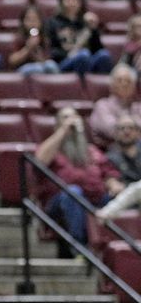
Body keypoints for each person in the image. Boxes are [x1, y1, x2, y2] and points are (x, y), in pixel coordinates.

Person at [35, 106, 122, 249]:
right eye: (66, 117)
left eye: (74, 117)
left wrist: (113, 184)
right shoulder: (52, 148)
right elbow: (40, 160)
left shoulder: (91, 150)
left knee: (120, 198)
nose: (71, 120)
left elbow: (108, 172)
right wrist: (63, 130)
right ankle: (79, 248)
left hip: (94, 199)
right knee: (74, 192)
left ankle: (112, 247)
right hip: (60, 202)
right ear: (57, 125)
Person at [47, 0, 114, 76]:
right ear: (61, 2)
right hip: (65, 63)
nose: (72, 2)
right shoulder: (52, 23)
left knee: (104, 55)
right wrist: (68, 54)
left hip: (88, 61)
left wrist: (93, 29)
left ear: (80, 2)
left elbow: (98, 49)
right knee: (83, 55)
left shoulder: (86, 22)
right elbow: (51, 51)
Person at [90, 64, 141, 148]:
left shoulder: (138, 107)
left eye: (128, 81)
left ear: (133, 87)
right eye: (119, 80)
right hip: (110, 155)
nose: (124, 84)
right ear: (111, 85)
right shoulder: (102, 105)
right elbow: (114, 131)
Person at [8, 5, 60, 75]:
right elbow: (12, 61)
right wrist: (28, 48)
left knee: (51, 65)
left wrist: (37, 51)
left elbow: (44, 61)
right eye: (28, 19)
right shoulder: (18, 38)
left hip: (41, 66)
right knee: (37, 68)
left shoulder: (44, 39)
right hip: (22, 69)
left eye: (35, 19)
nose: (32, 23)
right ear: (23, 21)